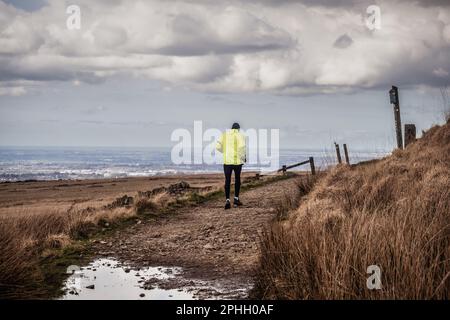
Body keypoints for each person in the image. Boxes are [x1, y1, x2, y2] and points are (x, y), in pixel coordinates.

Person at [216, 122, 246, 210]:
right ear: (238, 129)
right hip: (237, 162)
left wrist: (224, 152)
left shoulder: (224, 134)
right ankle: (236, 199)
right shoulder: (240, 135)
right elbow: (242, 147)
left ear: (232, 128)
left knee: (227, 180)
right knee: (237, 179)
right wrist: (243, 157)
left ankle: (227, 200)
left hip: (227, 162)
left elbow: (218, 147)